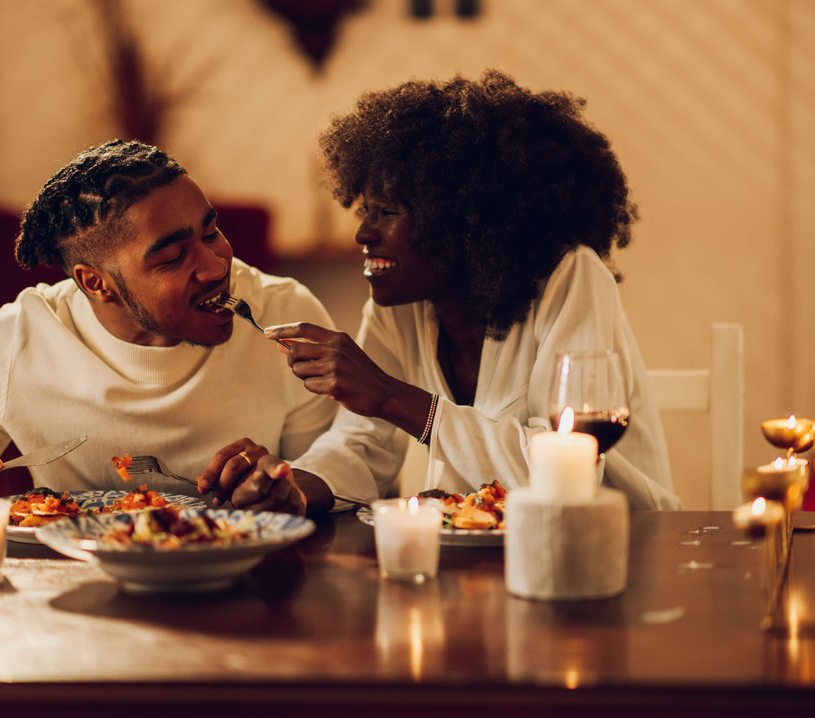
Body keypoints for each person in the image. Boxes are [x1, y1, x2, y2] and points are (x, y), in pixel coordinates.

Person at [199, 71, 681, 512]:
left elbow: (567, 469)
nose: (363, 233)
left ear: (464, 221)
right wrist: (291, 487)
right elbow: (361, 445)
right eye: (363, 209)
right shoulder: (397, 308)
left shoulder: (570, 277)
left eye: (387, 212)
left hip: (626, 550)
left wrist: (392, 396)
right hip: (482, 566)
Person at [0, 139, 335, 514]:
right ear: (96, 282)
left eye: (210, 232)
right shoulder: (17, 344)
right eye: (172, 257)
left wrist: (292, 484)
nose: (216, 265)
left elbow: (345, 456)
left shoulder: (284, 315)